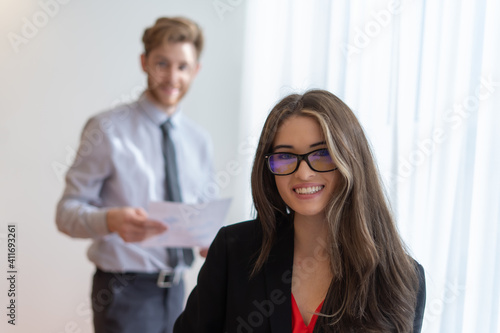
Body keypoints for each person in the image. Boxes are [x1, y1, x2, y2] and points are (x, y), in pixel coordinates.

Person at [174, 89, 426, 332]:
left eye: (322, 154)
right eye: (285, 156)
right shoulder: (233, 250)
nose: (303, 173)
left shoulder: (402, 278)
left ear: (350, 159)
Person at [56, 17, 214, 333]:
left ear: (196, 70)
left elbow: (202, 216)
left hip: (181, 291)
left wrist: (209, 239)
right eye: (162, 63)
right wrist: (109, 220)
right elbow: (65, 214)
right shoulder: (106, 129)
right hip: (123, 292)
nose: (172, 76)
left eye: (183, 66)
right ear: (144, 63)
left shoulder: (199, 141)